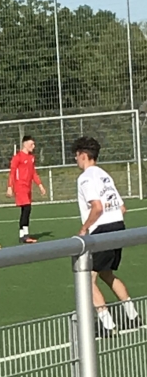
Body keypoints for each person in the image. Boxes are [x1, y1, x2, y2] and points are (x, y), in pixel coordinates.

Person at [74, 136, 140, 335]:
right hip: (118, 226)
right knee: (106, 273)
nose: (75, 159)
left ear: (83, 155)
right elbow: (122, 208)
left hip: (102, 230)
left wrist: (84, 228)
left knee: (86, 279)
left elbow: (97, 207)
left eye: (76, 155)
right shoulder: (104, 175)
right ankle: (133, 315)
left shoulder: (85, 178)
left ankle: (108, 324)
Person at [6, 136, 46, 243]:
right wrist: (10, 186)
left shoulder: (31, 158)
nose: (33, 146)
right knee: (27, 208)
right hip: (20, 187)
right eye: (31, 144)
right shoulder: (17, 157)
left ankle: (22, 235)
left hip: (28, 187)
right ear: (25, 144)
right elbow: (12, 173)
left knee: (25, 210)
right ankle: (26, 235)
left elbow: (33, 173)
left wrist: (40, 185)